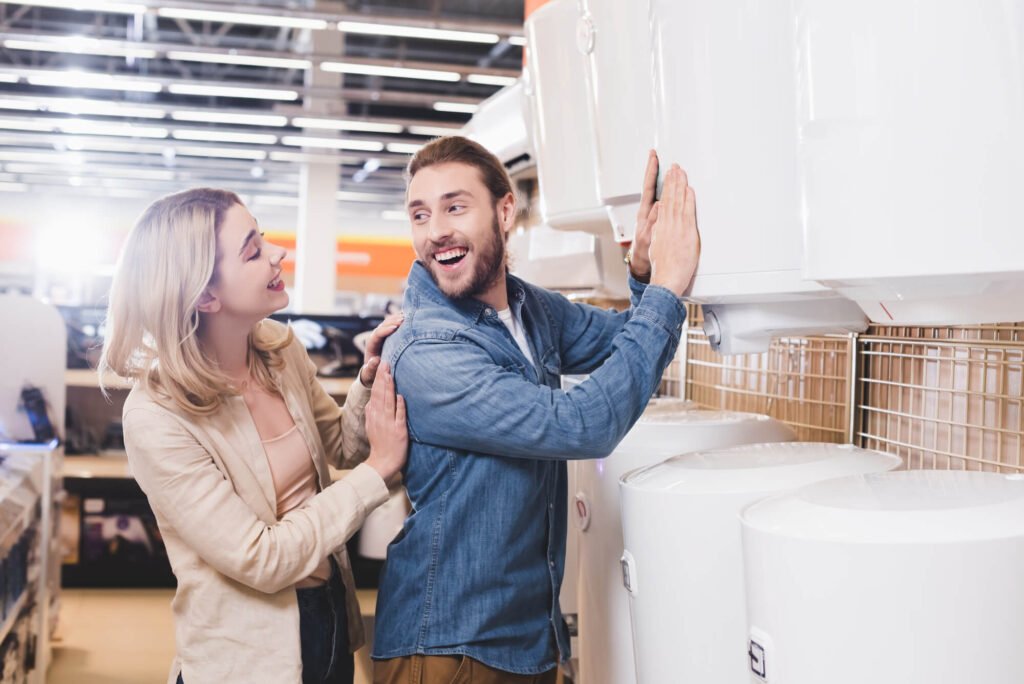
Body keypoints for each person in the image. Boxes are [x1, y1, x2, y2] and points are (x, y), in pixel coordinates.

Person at [371, 136, 700, 683]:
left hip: (527, 640)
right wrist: (665, 288)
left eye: (455, 207)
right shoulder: (427, 349)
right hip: (449, 649)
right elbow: (583, 425)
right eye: (420, 214)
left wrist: (643, 272)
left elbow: (628, 343)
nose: (435, 232)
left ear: (505, 211)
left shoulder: (528, 307)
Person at [98, 188, 409, 684]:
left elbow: (344, 447)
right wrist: (376, 475)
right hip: (245, 655)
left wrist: (369, 380)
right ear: (204, 294)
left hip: (327, 618)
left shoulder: (280, 353)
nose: (276, 253)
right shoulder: (157, 416)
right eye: (252, 250)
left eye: (262, 237)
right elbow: (261, 558)